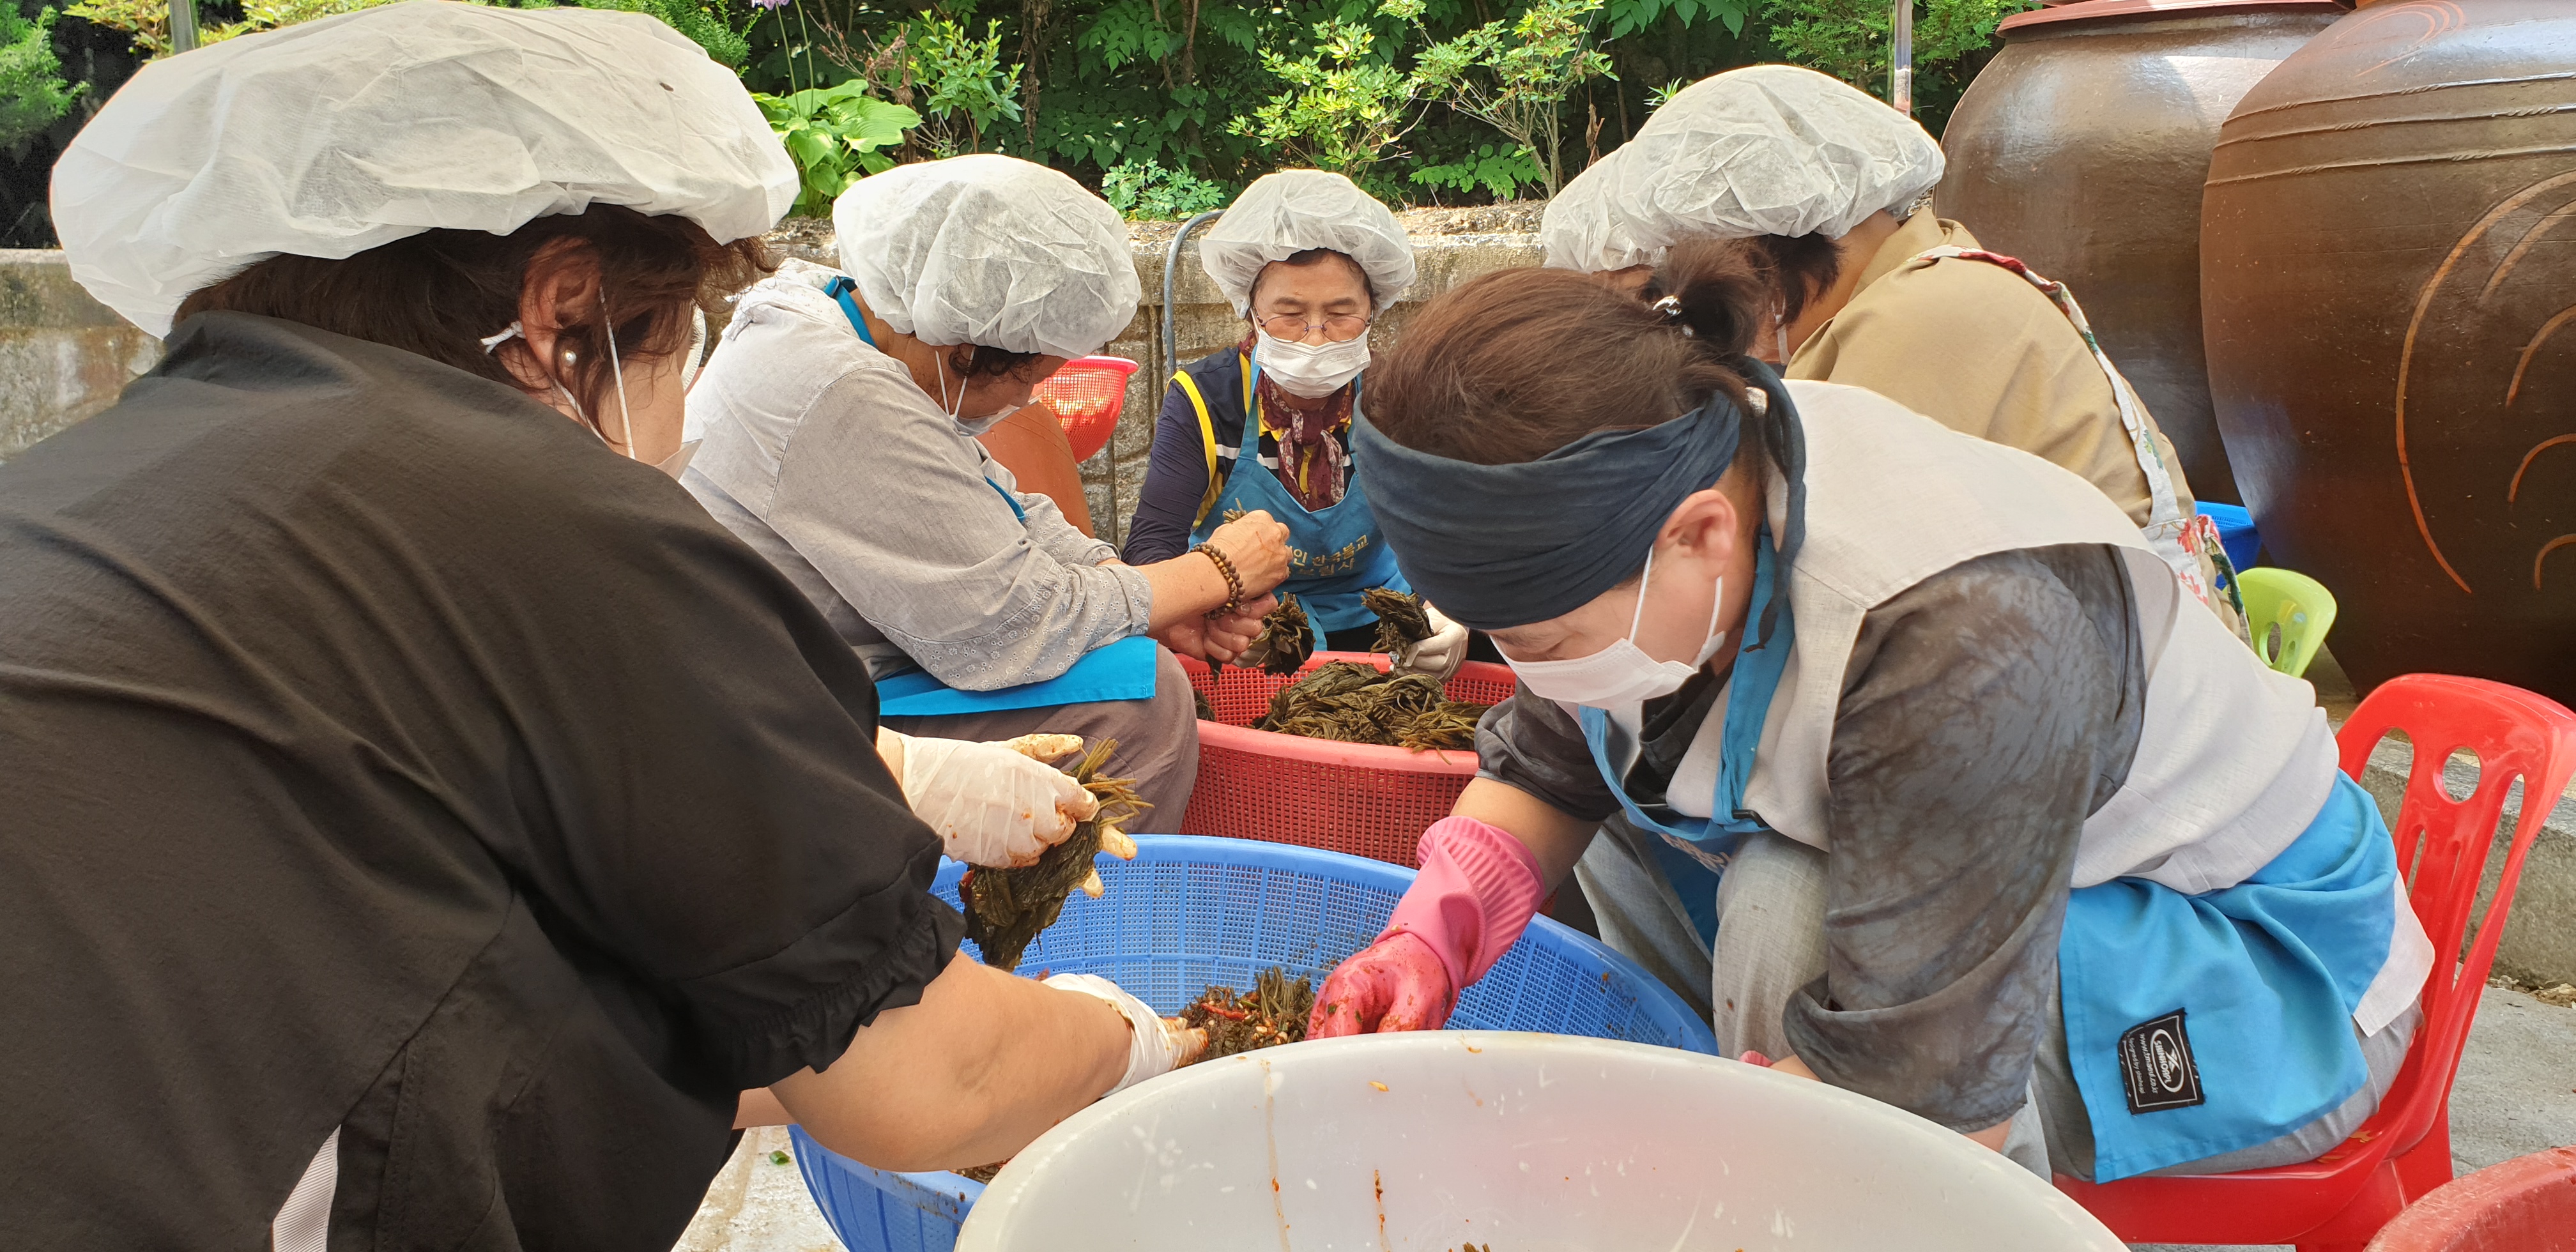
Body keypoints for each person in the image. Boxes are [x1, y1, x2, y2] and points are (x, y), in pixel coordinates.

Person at [4, 7, 1197, 1246]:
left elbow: (472, 926)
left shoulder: (88, 478)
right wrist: (1135, 1037)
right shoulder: (546, 510)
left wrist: (887, 770)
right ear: (563, 310)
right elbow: (933, 1080)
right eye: (683, 336)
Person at [1305, 246, 2432, 1187]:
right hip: (2000, 893)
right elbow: (1555, 762)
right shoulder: (1696, 463)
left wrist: (1650, 1168)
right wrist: (1429, 935)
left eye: (1545, 641)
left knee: (1785, 911)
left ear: (1698, 535)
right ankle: (1729, 1086)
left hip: (2260, 968)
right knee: (1626, 804)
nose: (1531, 672)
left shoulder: (1963, 636)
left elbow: (1931, 1097)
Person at [684, 155, 1289, 825]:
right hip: (784, 720)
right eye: (1030, 378)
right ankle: (1074, 895)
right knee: (1141, 704)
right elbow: (1017, 623)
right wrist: (1215, 571)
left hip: (843, 666)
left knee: (1131, 657)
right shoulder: (842, 392)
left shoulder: (855, 327)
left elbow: (1005, 507)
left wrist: (1148, 596)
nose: (1026, 400)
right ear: (967, 347)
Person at [1542, 66, 2232, 618]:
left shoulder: (1928, 312)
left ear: (1766, 247)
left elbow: (1804, 551)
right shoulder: (1904, 291)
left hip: (2137, 685)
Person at [1123, 170, 1471, 676]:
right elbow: (1153, 545)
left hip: (1383, 620)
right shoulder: (1206, 400)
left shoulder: (1398, 395)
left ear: (1373, 312)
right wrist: (1209, 615)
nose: (1315, 337)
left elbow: (1448, 524)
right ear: (1251, 312)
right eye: (1289, 315)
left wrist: (1449, 609)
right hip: (1244, 623)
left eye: (1340, 314)